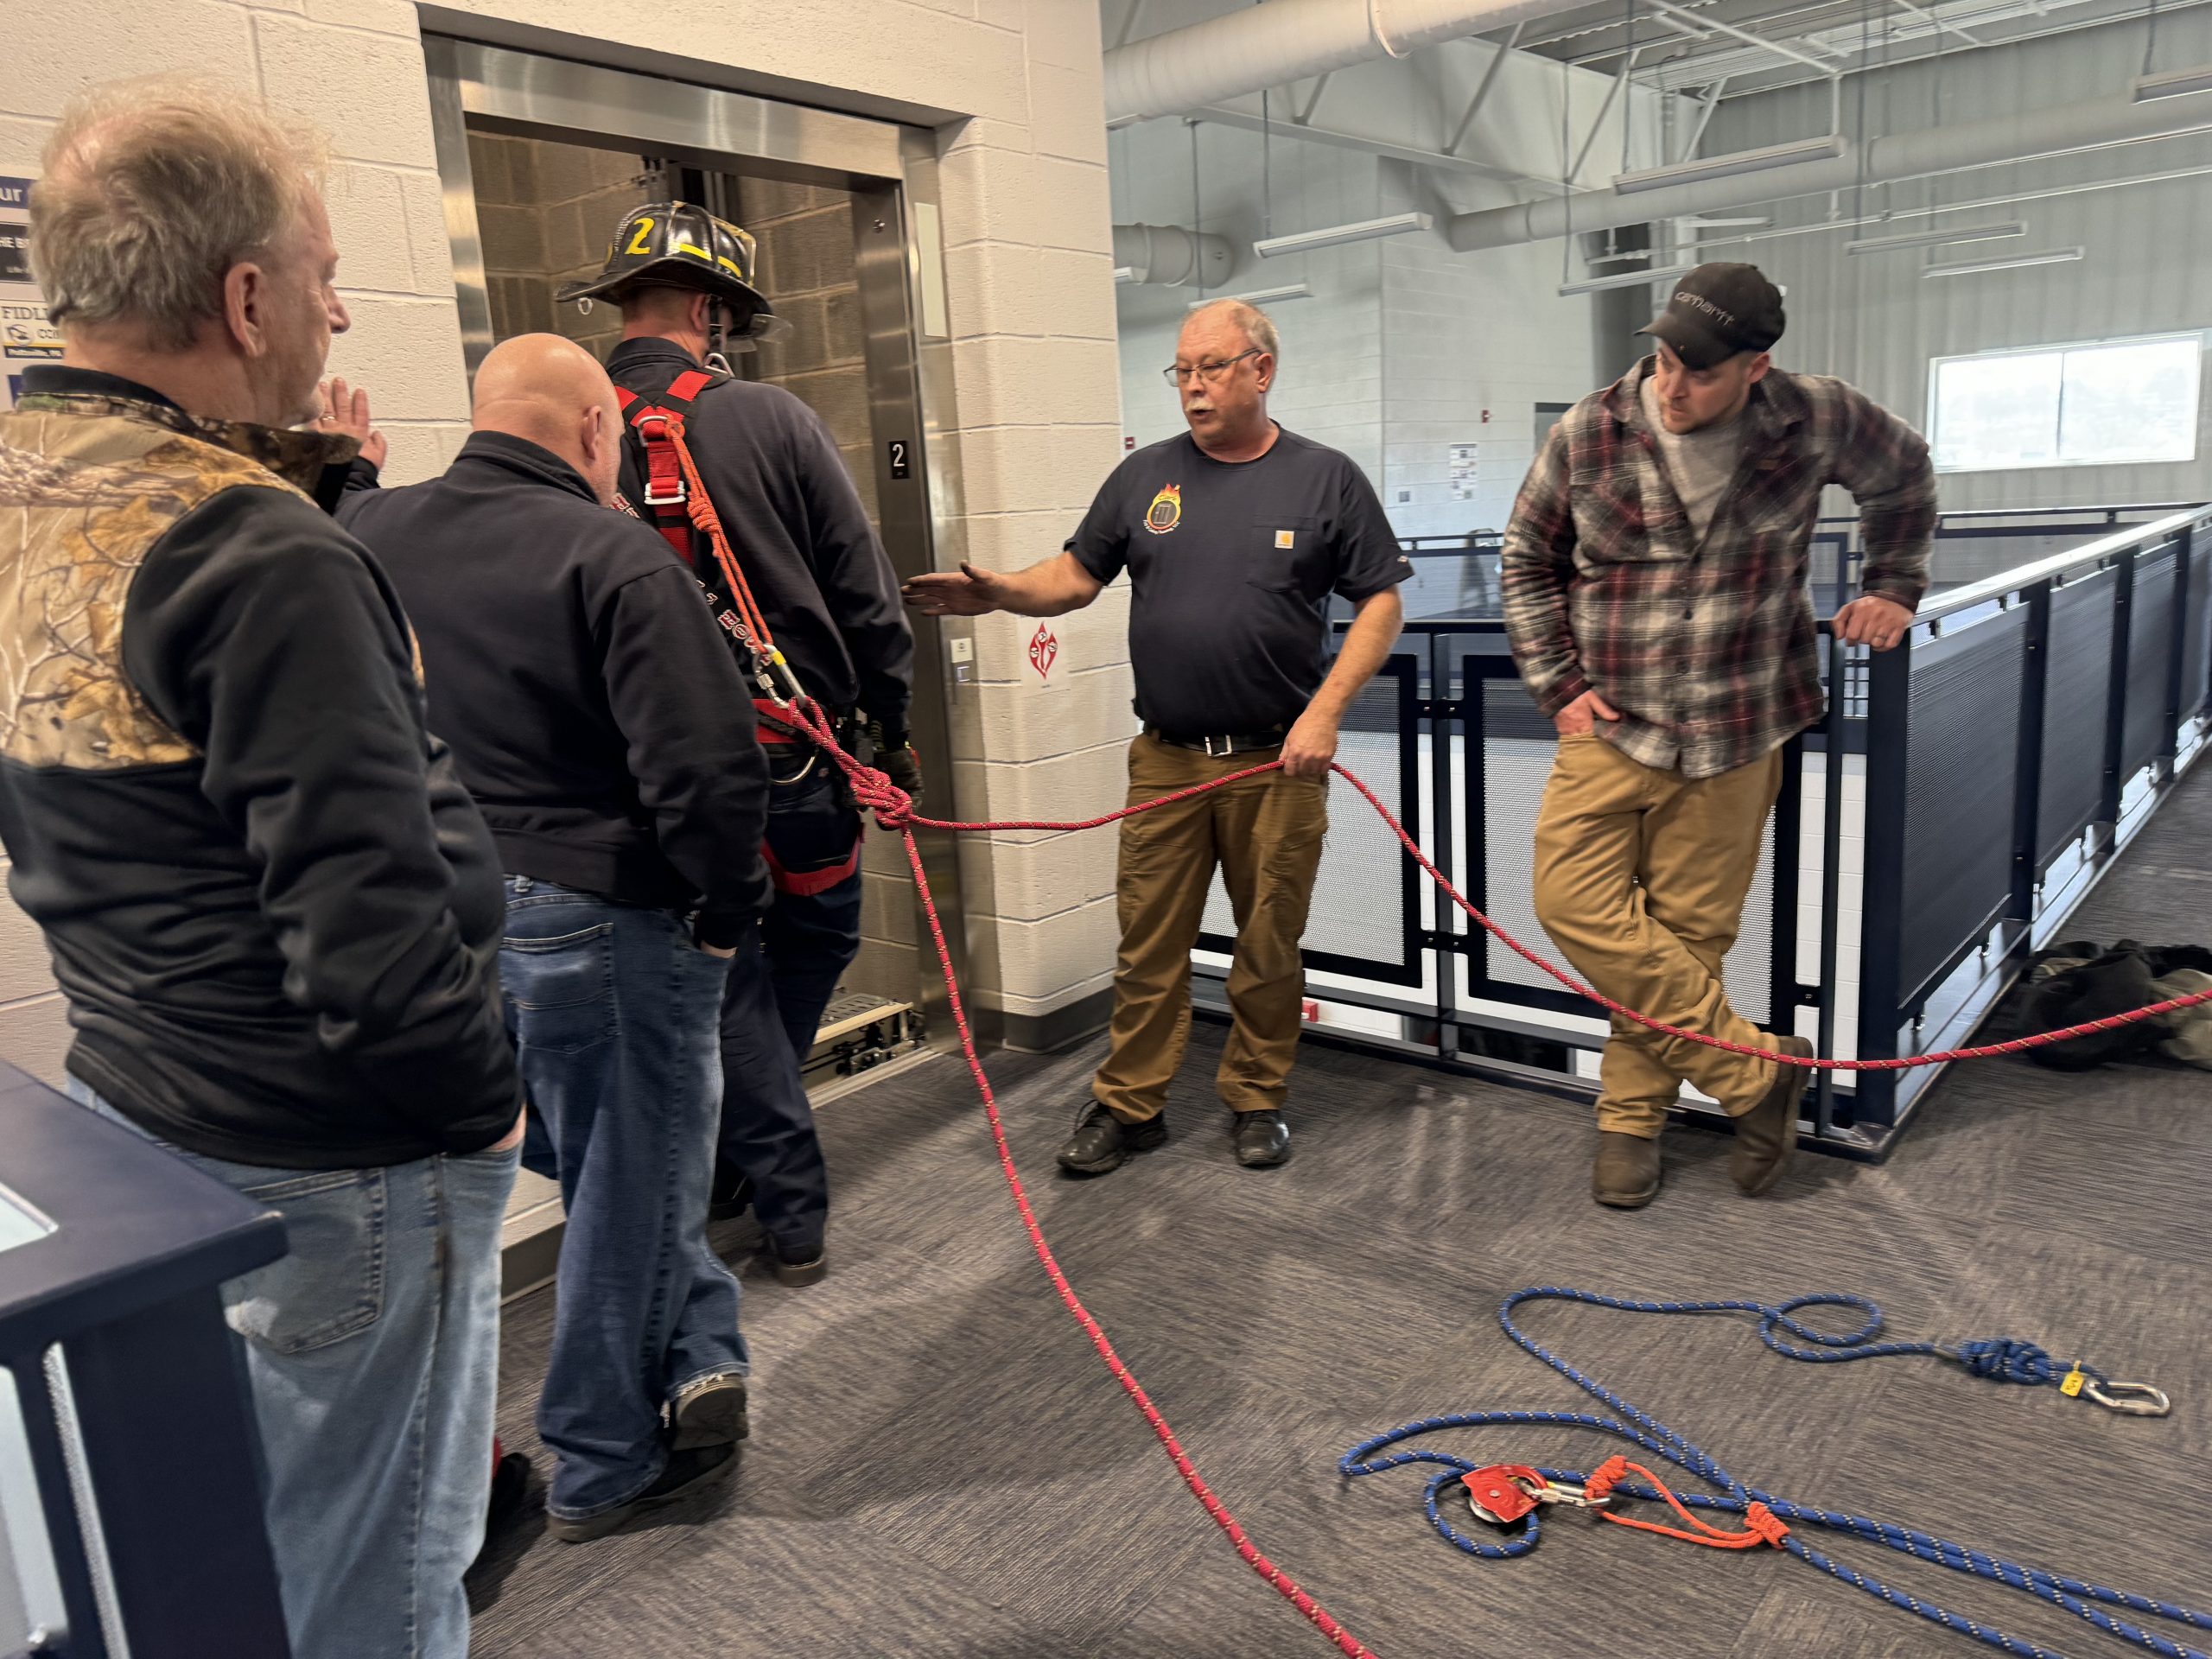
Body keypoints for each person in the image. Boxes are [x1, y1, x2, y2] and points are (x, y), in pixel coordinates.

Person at [2, 78, 523, 1657]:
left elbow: (140, 737)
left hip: (151, 1104)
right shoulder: (251, 548)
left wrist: (309, 502)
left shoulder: (44, 487)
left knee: (252, 1547)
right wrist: (479, 1102)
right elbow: (368, 937)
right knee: (377, 1572)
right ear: (242, 295)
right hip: (344, 1153)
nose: (336, 309)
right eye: (319, 275)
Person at [335, 334, 772, 1542]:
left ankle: (697, 1355)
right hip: (607, 925)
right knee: (634, 1185)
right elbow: (707, 772)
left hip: (456, 917)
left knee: (603, 1162)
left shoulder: (373, 534)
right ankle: (605, 1458)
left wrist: (339, 474)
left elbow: (357, 538)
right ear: (594, 432)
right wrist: (727, 914)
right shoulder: (614, 552)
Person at [905, 300, 1409, 1173]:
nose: (1192, 388)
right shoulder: (1145, 478)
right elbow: (1072, 577)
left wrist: (1324, 712)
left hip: (1275, 762)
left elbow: (1382, 601)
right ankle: (1130, 1104)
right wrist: (999, 594)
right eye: (1181, 370)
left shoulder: (1324, 479)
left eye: (1211, 367)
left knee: (1265, 944)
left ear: (1261, 369)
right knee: (1147, 943)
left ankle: (1257, 1098)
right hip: (1166, 759)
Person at [1501, 262, 1936, 1210]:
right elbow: (1526, 558)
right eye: (1663, 360)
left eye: (1698, 371)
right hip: (1609, 722)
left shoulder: (1815, 416)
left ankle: (1629, 1122)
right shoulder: (1589, 429)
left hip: (1743, 719)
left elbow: (1903, 476)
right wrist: (1558, 685)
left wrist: (1893, 583)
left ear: (1755, 365)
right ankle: (1754, 1072)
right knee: (1569, 904)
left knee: (1688, 935)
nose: (1672, 386)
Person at [552, 200, 917, 1287]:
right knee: (805, 945)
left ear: (623, 305)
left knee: (729, 976)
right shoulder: (772, 418)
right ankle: (787, 1195)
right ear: (711, 309)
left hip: (644, 772)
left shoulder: (568, 435)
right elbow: (862, 587)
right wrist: (888, 728)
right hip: (792, 756)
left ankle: (737, 1151)